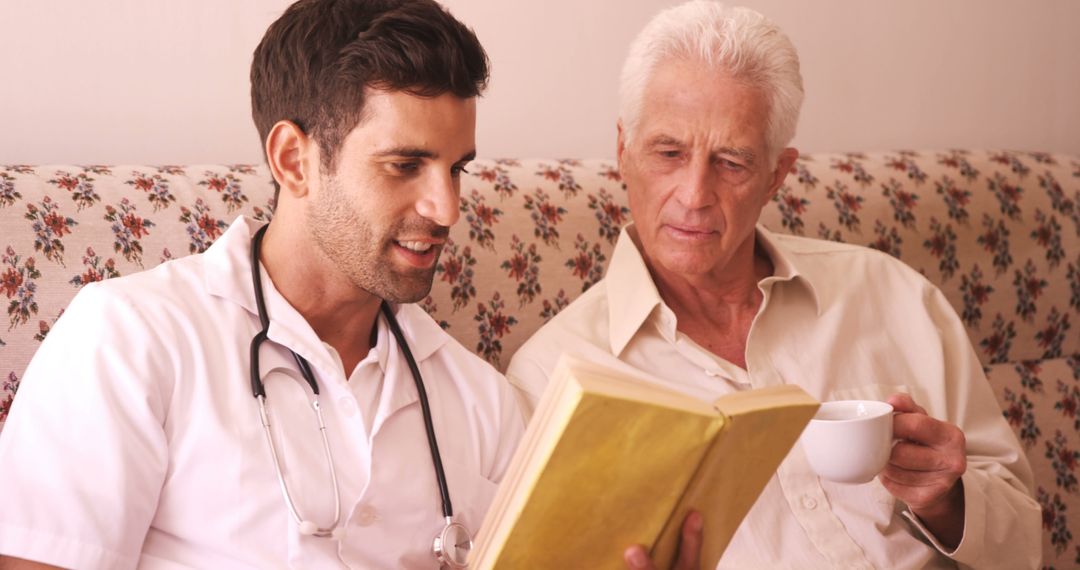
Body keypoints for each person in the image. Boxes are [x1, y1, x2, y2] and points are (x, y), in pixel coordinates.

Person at [506, 1, 1041, 568]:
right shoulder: (553, 377)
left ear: (776, 176)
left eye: (731, 162)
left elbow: (1026, 543)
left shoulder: (893, 295)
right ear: (623, 151)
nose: (693, 195)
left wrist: (947, 501)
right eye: (669, 153)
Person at [0, 1, 525, 568]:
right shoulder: (130, 339)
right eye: (405, 165)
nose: (446, 209)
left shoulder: (483, 400)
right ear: (293, 159)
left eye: (456, 169)